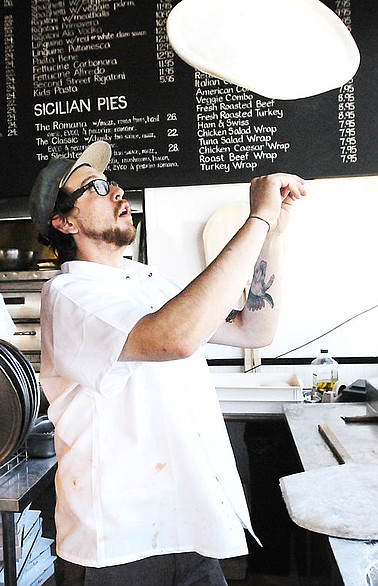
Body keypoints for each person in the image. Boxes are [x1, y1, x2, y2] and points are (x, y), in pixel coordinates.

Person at [28, 140, 306, 586]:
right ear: (65, 222)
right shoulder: (68, 295)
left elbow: (253, 330)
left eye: (110, 181)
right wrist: (257, 219)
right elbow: (174, 339)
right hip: (119, 544)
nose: (116, 190)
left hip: (190, 526)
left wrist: (271, 235)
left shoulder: (150, 282)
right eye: (95, 186)